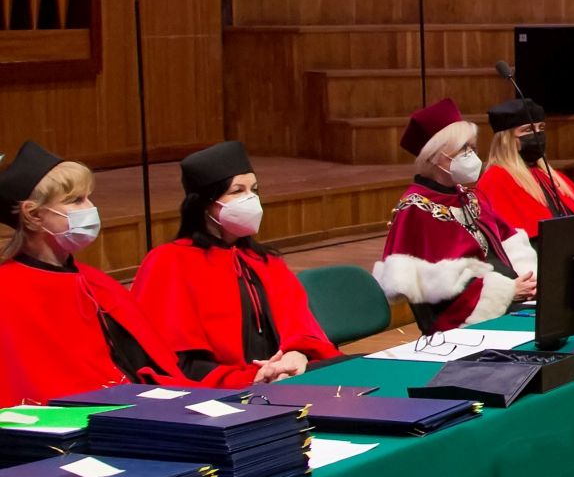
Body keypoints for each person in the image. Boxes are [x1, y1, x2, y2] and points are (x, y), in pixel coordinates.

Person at [132, 141, 339, 387]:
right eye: (238, 191)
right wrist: (256, 376)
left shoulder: (265, 261)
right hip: (221, 386)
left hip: (287, 376)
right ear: (205, 203)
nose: (250, 199)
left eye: (254, 190)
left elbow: (302, 331)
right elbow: (175, 359)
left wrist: (297, 355)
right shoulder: (169, 261)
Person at [0, 141, 186, 406]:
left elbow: (149, 367)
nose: (90, 207)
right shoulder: (7, 290)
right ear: (33, 215)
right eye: (76, 200)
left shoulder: (97, 282)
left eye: (88, 197)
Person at [373, 99, 537, 333]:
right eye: (462, 149)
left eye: (472, 148)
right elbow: (433, 285)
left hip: (506, 300)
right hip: (460, 320)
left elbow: (507, 240)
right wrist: (507, 291)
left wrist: (527, 279)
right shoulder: (416, 209)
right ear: (434, 157)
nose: (470, 155)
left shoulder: (468, 196)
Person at [476, 99, 574, 237]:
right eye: (528, 130)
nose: (538, 134)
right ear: (506, 140)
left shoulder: (551, 175)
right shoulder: (495, 179)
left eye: (541, 128)